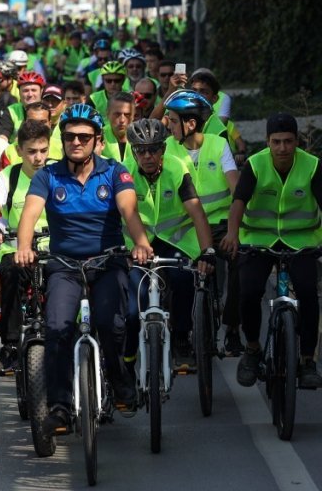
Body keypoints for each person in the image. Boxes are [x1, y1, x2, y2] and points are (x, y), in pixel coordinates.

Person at [14, 104, 153, 436]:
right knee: (57, 328)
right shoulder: (48, 176)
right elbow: (29, 214)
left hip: (107, 262)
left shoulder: (115, 172)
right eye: (70, 136)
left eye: (84, 137)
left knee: (110, 323)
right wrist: (23, 246)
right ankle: (60, 406)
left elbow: (129, 211)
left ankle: (119, 381)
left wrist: (141, 242)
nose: (76, 142)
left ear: (97, 140)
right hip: (64, 266)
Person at [221, 113, 322, 389]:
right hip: (259, 239)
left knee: (308, 293)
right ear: (267, 142)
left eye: (288, 141)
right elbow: (238, 202)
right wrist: (232, 234)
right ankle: (252, 349)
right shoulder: (255, 165)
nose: (282, 148)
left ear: (297, 141)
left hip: (302, 240)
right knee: (249, 291)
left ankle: (307, 360)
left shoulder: (312, 166)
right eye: (276, 142)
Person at [121, 119, 215, 371]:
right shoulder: (124, 172)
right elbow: (122, 212)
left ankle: (182, 337)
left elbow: (197, 213)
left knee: (183, 279)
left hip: (175, 241)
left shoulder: (177, 168)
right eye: (141, 150)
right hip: (136, 245)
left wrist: (207, 252)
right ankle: (128, 360)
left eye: (153, 149)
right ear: (133, 152)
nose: (147, 156)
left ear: (163, 149)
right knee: (133, 307)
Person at [162, 89, 242, 355]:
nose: (168, 125)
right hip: (184, 229)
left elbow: (236, 190)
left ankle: (232, 327)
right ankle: (181, 334)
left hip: (219, 224)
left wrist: (233, 232)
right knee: (179, 275)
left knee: (242, 262)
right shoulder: (167, 147)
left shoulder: (218, 144)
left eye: (173, 120)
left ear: (191, 124)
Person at [0, 119, 52, 373]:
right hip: (15, 249)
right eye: (31, 151)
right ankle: (10, 345)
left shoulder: (58, 173)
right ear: (19, 150)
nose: (38, 158)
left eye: (43, 150)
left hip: (53, 250)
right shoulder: (7, 176)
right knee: (10, 273)